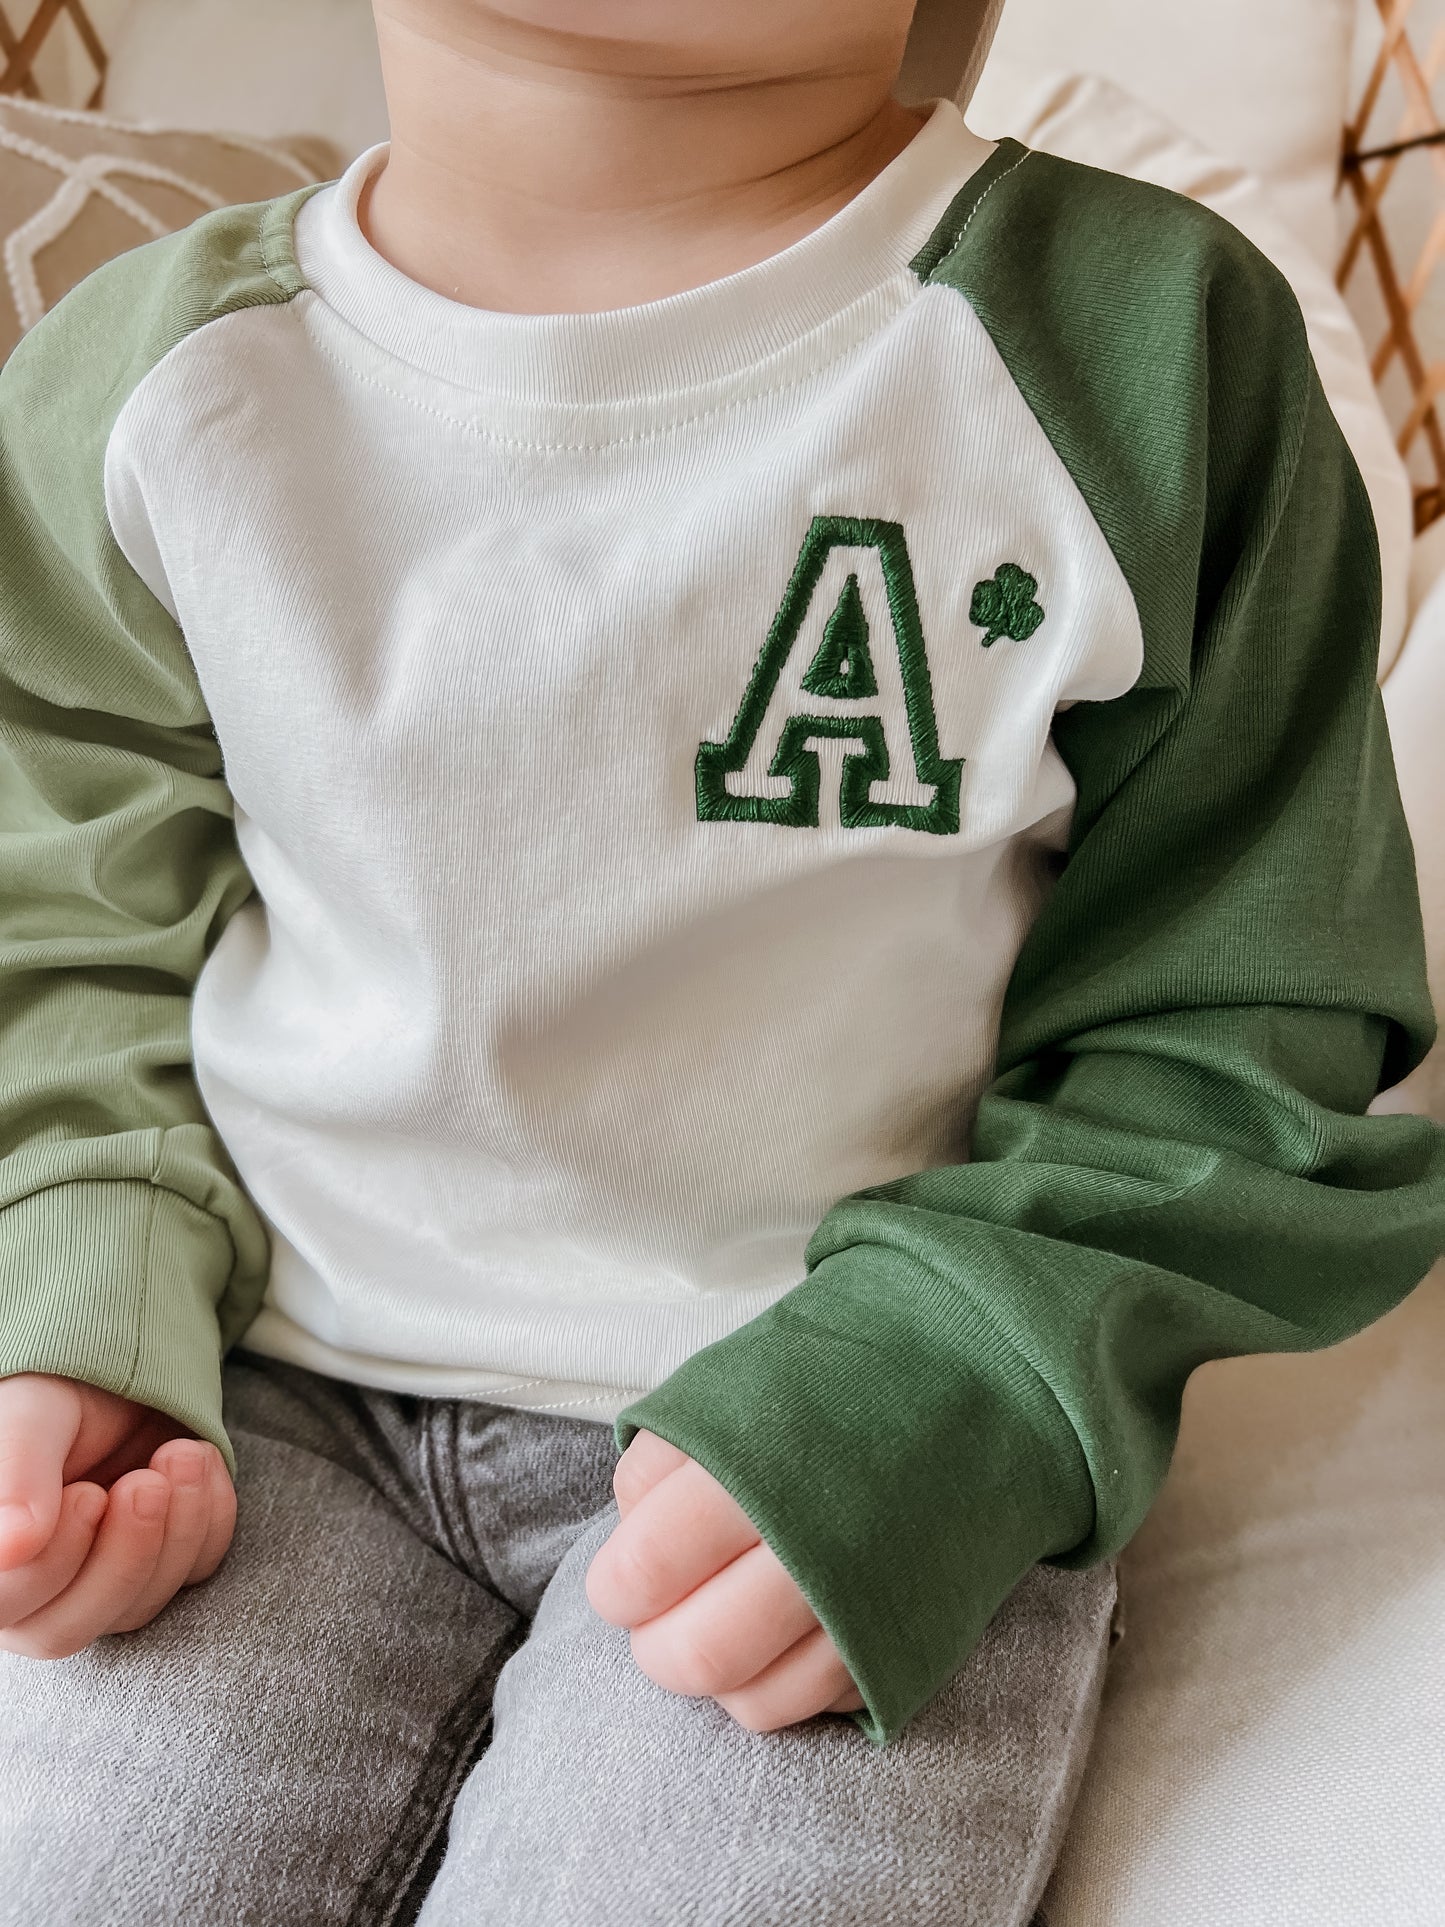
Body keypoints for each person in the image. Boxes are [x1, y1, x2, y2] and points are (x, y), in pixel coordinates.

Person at [0, 0, 1441, 1920]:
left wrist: (960, 1382)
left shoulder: (1148, 356)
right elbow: (66, 901)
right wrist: (76, 1276)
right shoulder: (138, 386)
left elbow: (1239, 1008)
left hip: (857, 1439)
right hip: (258, 1411)